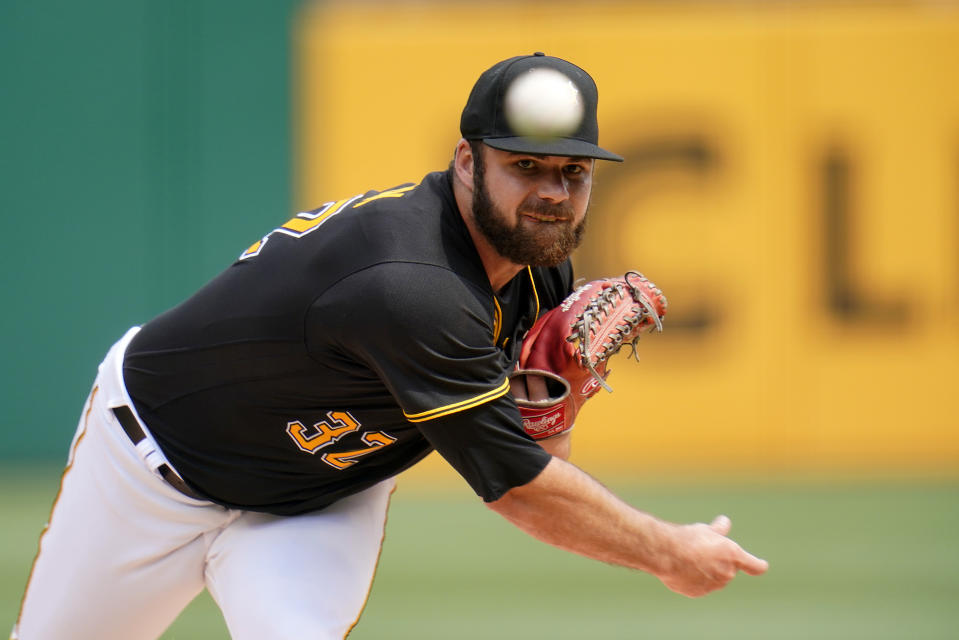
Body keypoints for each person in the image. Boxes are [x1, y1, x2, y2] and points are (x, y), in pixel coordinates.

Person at [12, 52, 768, 640]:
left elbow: (537, 458)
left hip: (314, 497)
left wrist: (553, 397)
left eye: (573, 173)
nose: (551, 193)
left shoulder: (535, 268)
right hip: (151, 471)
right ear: (466, 162)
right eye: (525, 167)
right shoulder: (411, 284)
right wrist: (669, 551)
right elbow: (522, 490)